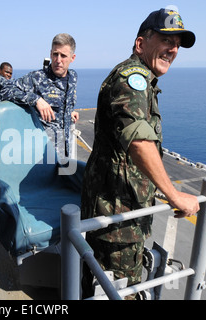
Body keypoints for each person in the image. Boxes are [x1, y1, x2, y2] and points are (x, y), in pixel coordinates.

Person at [80, 8, 199, 299]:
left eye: (177, 44)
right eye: (165, 39)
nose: (173, 48)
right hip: (116, 215)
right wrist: (174, 194)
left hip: (124, 209)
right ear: (140, 44)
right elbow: (139, 141)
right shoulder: (132, 78)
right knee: (119, 291)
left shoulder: (144, 81)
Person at [1, 33, 79, 159]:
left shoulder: (73, 77)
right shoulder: (37, 77)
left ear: (72, 57)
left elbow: (63, 100)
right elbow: (6, 89)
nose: (58, 60)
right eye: (55, 54)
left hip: (65, 151)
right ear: (50, 53)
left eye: (63, 56)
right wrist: (36, 99)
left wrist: (69, 111)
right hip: (41, 154)